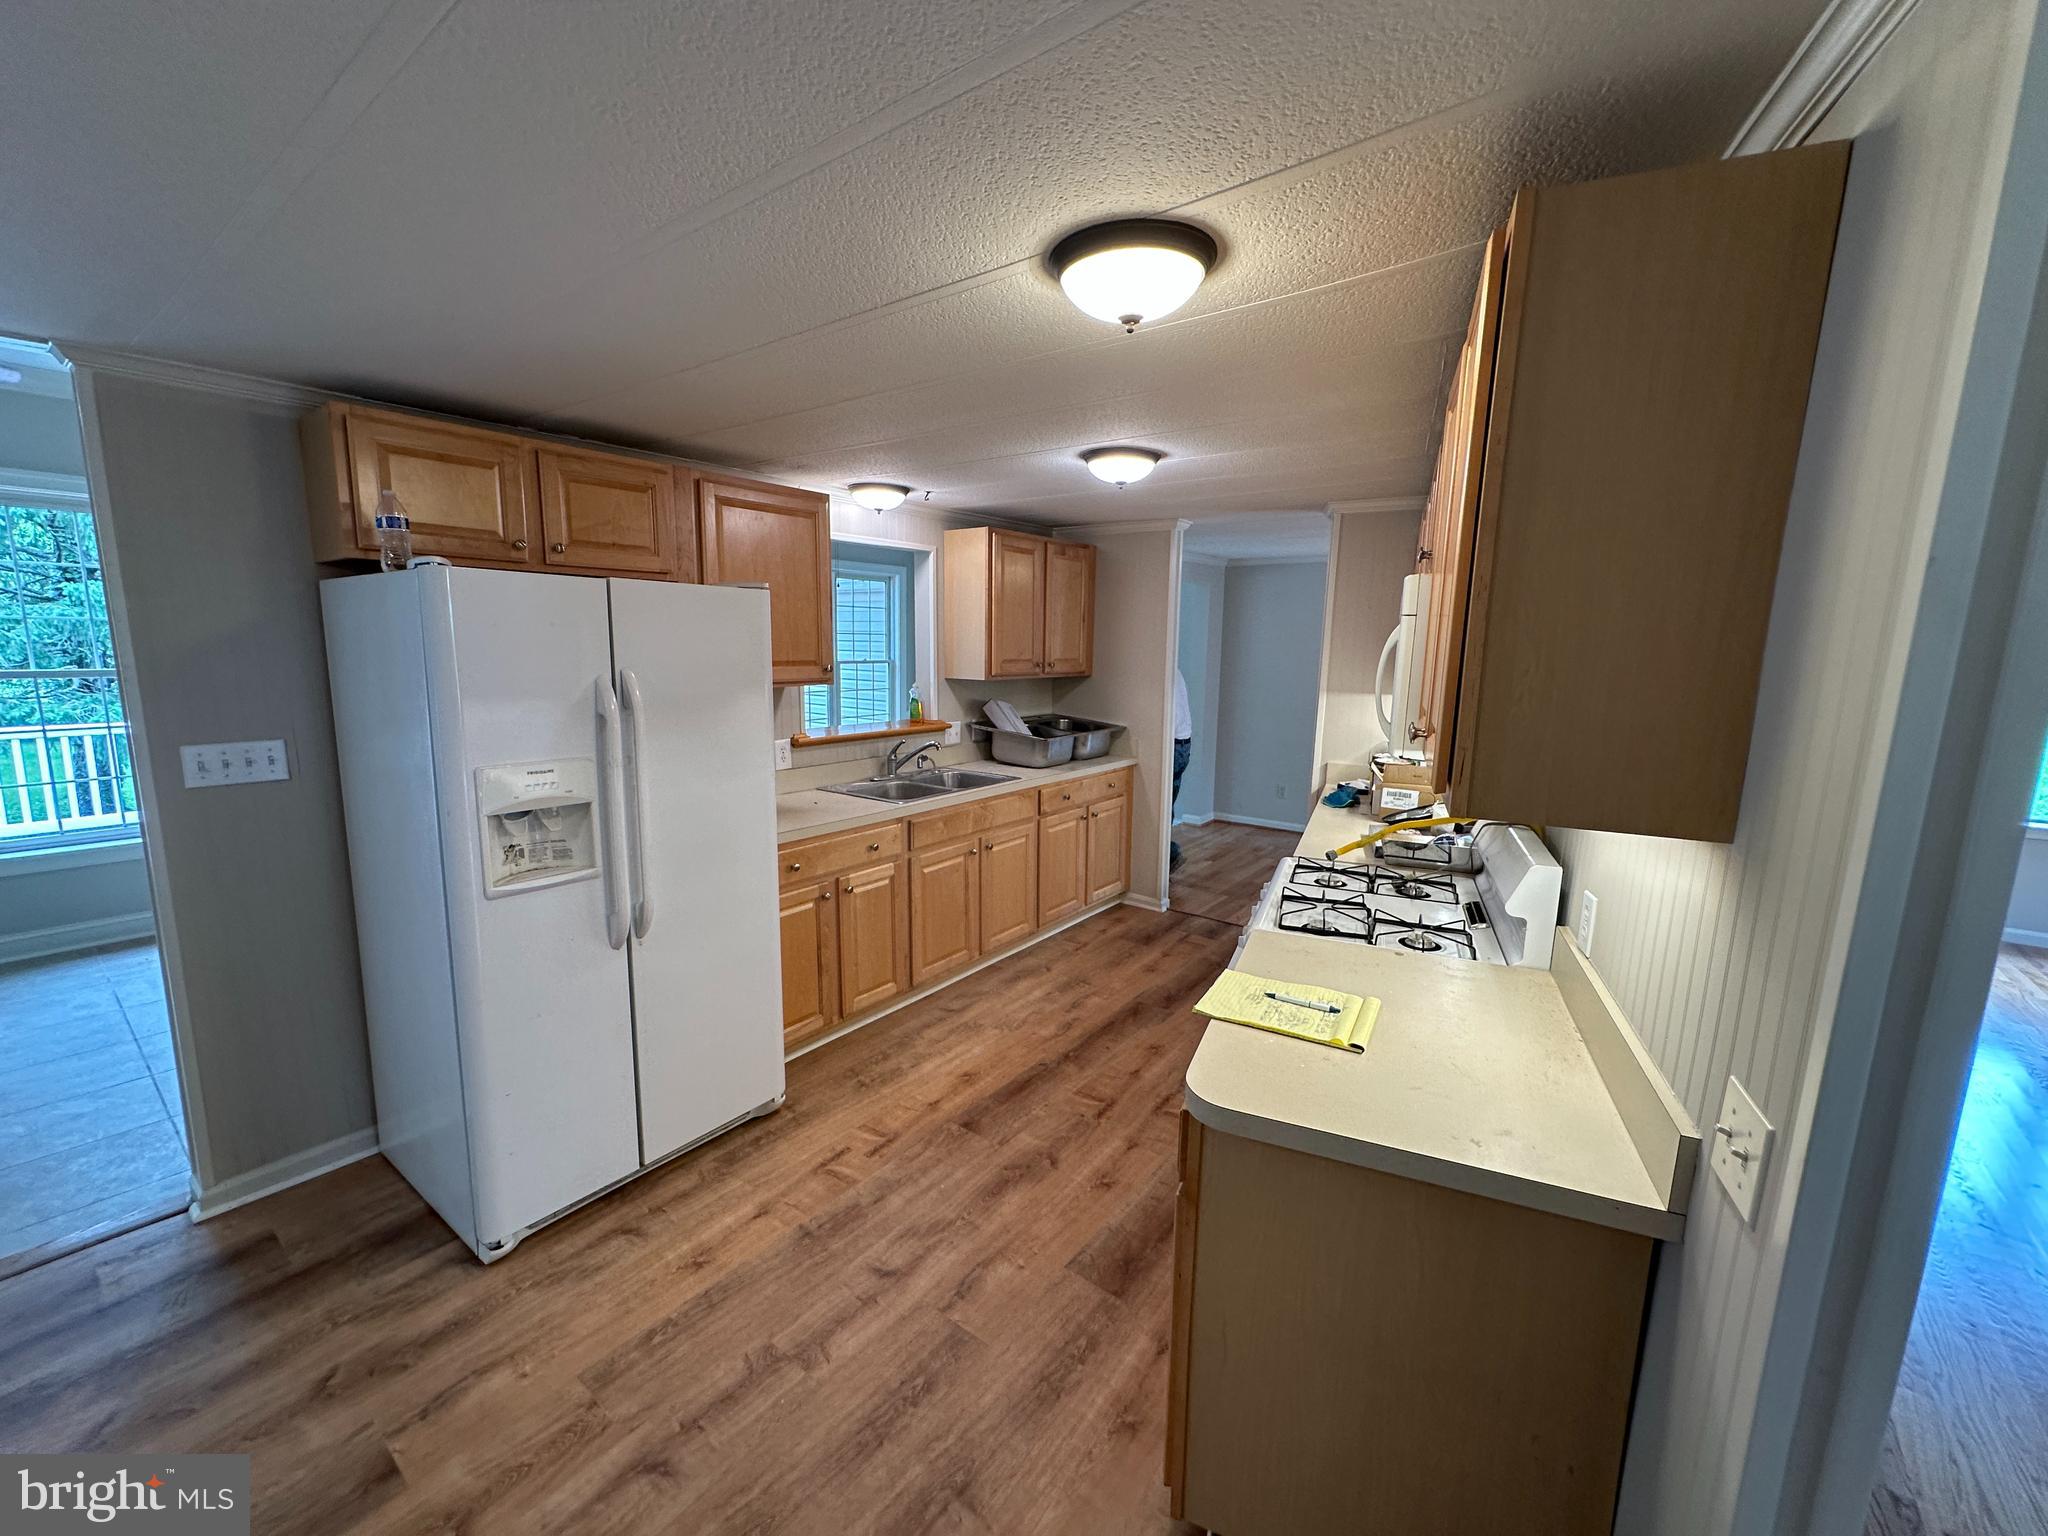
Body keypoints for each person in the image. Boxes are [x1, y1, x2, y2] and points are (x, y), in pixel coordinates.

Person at [1171, 666, 1192, 869]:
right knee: (1166, 806)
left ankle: (1167, 857)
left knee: (1163, 808)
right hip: (1182, 743)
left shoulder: (1165, 671)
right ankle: (1168, 856)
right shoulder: (1172, 669)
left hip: (1175, 744)